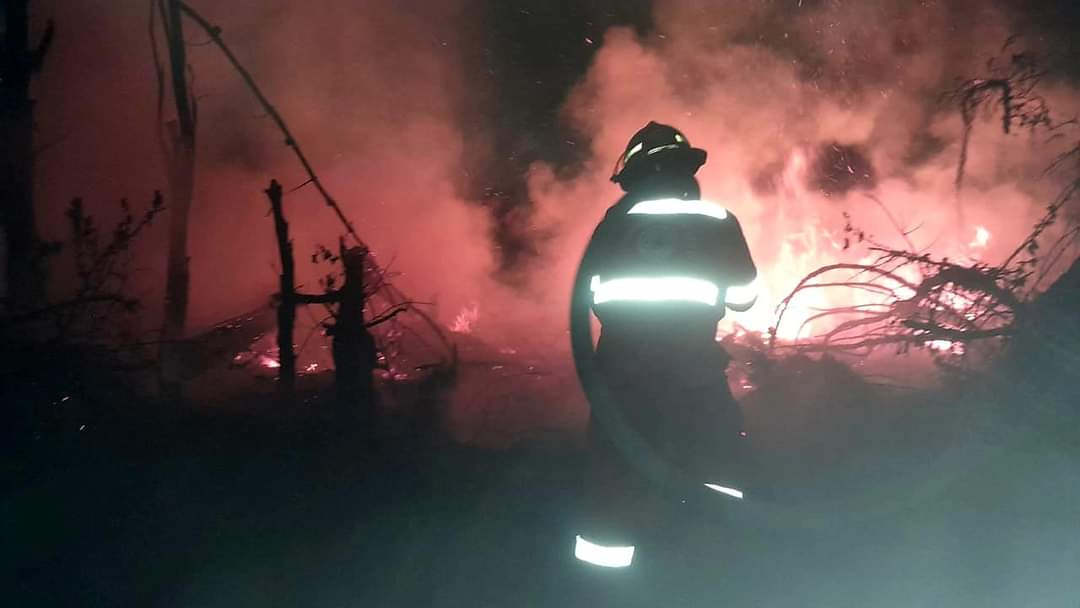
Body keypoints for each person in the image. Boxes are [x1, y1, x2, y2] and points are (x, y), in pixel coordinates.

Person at [573, 121, 759, 569]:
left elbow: (590, 297)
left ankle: (605, 578)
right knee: (717, 464)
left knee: (614, 472)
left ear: (633, 177)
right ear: (686, 171)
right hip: (694, 372)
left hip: (620, 375)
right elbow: (744, 297)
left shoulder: (614, 225)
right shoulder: (718, 221)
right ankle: (712, 569)